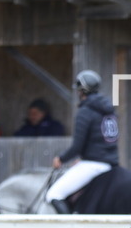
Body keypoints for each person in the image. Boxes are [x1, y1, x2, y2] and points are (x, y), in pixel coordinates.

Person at [45, 70, 120, 214]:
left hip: (94, 165)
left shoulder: (85, 111)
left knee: (53, 194)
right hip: (110, 163)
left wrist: (61, 159)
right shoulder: (109, 110)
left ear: (82, 90)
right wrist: (83, 159)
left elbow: (77, 146)